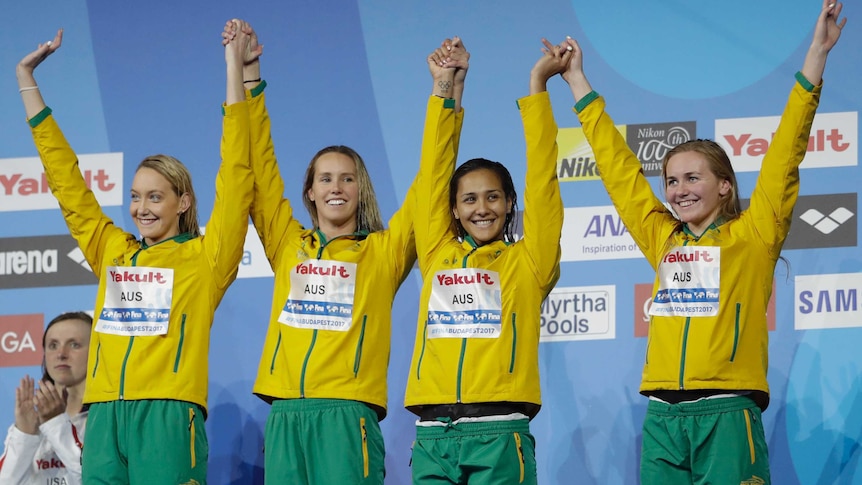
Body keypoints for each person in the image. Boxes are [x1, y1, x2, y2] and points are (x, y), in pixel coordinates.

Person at [563, 2, 846, 483]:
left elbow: (784, 155)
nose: (678, 190)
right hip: (662, 418)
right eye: (671, 181)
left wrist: (815, 57)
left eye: (692, 177)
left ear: (724, 186)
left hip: (728, 412)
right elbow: (619, 172)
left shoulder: (754, 235)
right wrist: (577, 83)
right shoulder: (663, 239)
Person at [16, 22, 253, 483]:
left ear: (183, 202)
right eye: (135, 196)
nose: (141, 209)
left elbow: (237, 172)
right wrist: (28, 82)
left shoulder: (207, 256)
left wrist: (234, 70)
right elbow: (66, 183)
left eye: (155, 197)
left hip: (167, 417)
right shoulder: (112, 250)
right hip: (104, 417)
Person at [221, 20, 432, 484]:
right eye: (325, 178)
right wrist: (250, 76)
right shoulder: (286, 244)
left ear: (361, 190)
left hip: (346, 414)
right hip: (285, 415)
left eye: (347, 177)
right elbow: (260, 166)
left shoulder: (385, 251)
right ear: (310, 192)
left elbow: (430, 184)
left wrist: (445, 99)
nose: (336, 186)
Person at [405, 37, 566, 484]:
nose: (482, 208)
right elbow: (434, 169)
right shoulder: (437, 253)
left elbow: (544, 181)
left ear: (510, 203)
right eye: (470, 199)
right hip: (433, 435)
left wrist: (537, 88)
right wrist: (444, 89)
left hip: (499, 431)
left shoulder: (530, 261)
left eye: (493, 197)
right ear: (452, 209)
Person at [0, 312, 92, 484]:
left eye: (74, 345)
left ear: (96, 351)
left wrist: (56, 424)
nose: (61, 354)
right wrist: (25, 434)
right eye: (53, 345)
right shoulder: (33, 424)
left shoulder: (107, 420)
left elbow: (93, 479)